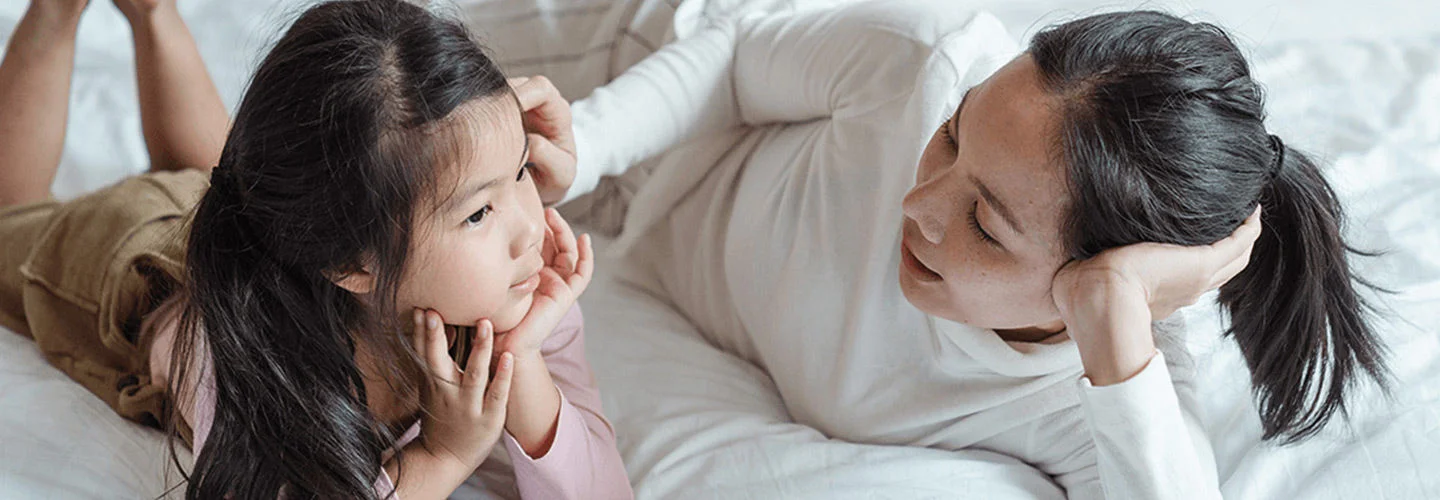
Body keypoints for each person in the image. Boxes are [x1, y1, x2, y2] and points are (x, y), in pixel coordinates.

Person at [560, 1, 1387, 497]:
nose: (919, 206)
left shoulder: (1093, 392)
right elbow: (737, 58)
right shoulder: (927, 56)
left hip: (628, 269)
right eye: (951, 138)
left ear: (1095, 281)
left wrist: (1112, 314)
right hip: (624, 59)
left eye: (987, 226)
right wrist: (576, 146)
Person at [0, 0, 630, 498]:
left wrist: (524, 359)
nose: (530, 227)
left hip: (235, 220)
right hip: (130, 266)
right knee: (13, 212)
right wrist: (441, 457)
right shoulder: (250, 359)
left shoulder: (516, 277)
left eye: (522, 170)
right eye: (479, 213)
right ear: (353, 264)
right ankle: (58, 8)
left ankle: (152, 11)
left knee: (215, 175)